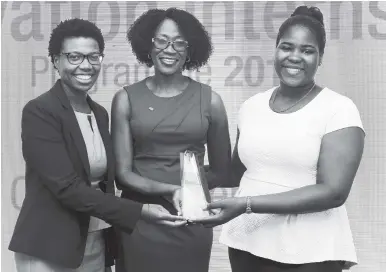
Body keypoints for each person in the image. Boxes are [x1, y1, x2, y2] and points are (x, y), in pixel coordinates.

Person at [194, 6, 365, 272]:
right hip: (247, 242)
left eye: (307, 50)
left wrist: (246, 205)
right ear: (275, 50)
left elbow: (333, 192)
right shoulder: (252, 106)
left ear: (320, 58)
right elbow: (238, 173)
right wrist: (189, 175)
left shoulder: (339, 109)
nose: (294, 57)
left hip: (310, 250)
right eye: (287, 47)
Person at [8, 18, 185, 272]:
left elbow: (108, 181)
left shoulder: (99, 113)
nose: (85, 66)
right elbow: (68, 189)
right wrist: (142, 211)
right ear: (56, 61)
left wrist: (167, 188)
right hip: (49, 248)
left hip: (96, 242)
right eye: (74, 57)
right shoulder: (40, 112)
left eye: (93, 57)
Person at [111, 8, 232, 272]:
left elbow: (222, 171)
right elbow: (122, 175)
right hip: (141, 220)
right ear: (148, 45)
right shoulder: (125, 99)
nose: (170, 49)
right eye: (161, 40)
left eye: (179, 43)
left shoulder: (211, 100)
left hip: (191, 220)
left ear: (190, 51)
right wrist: (170, 189)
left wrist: (192, 192)